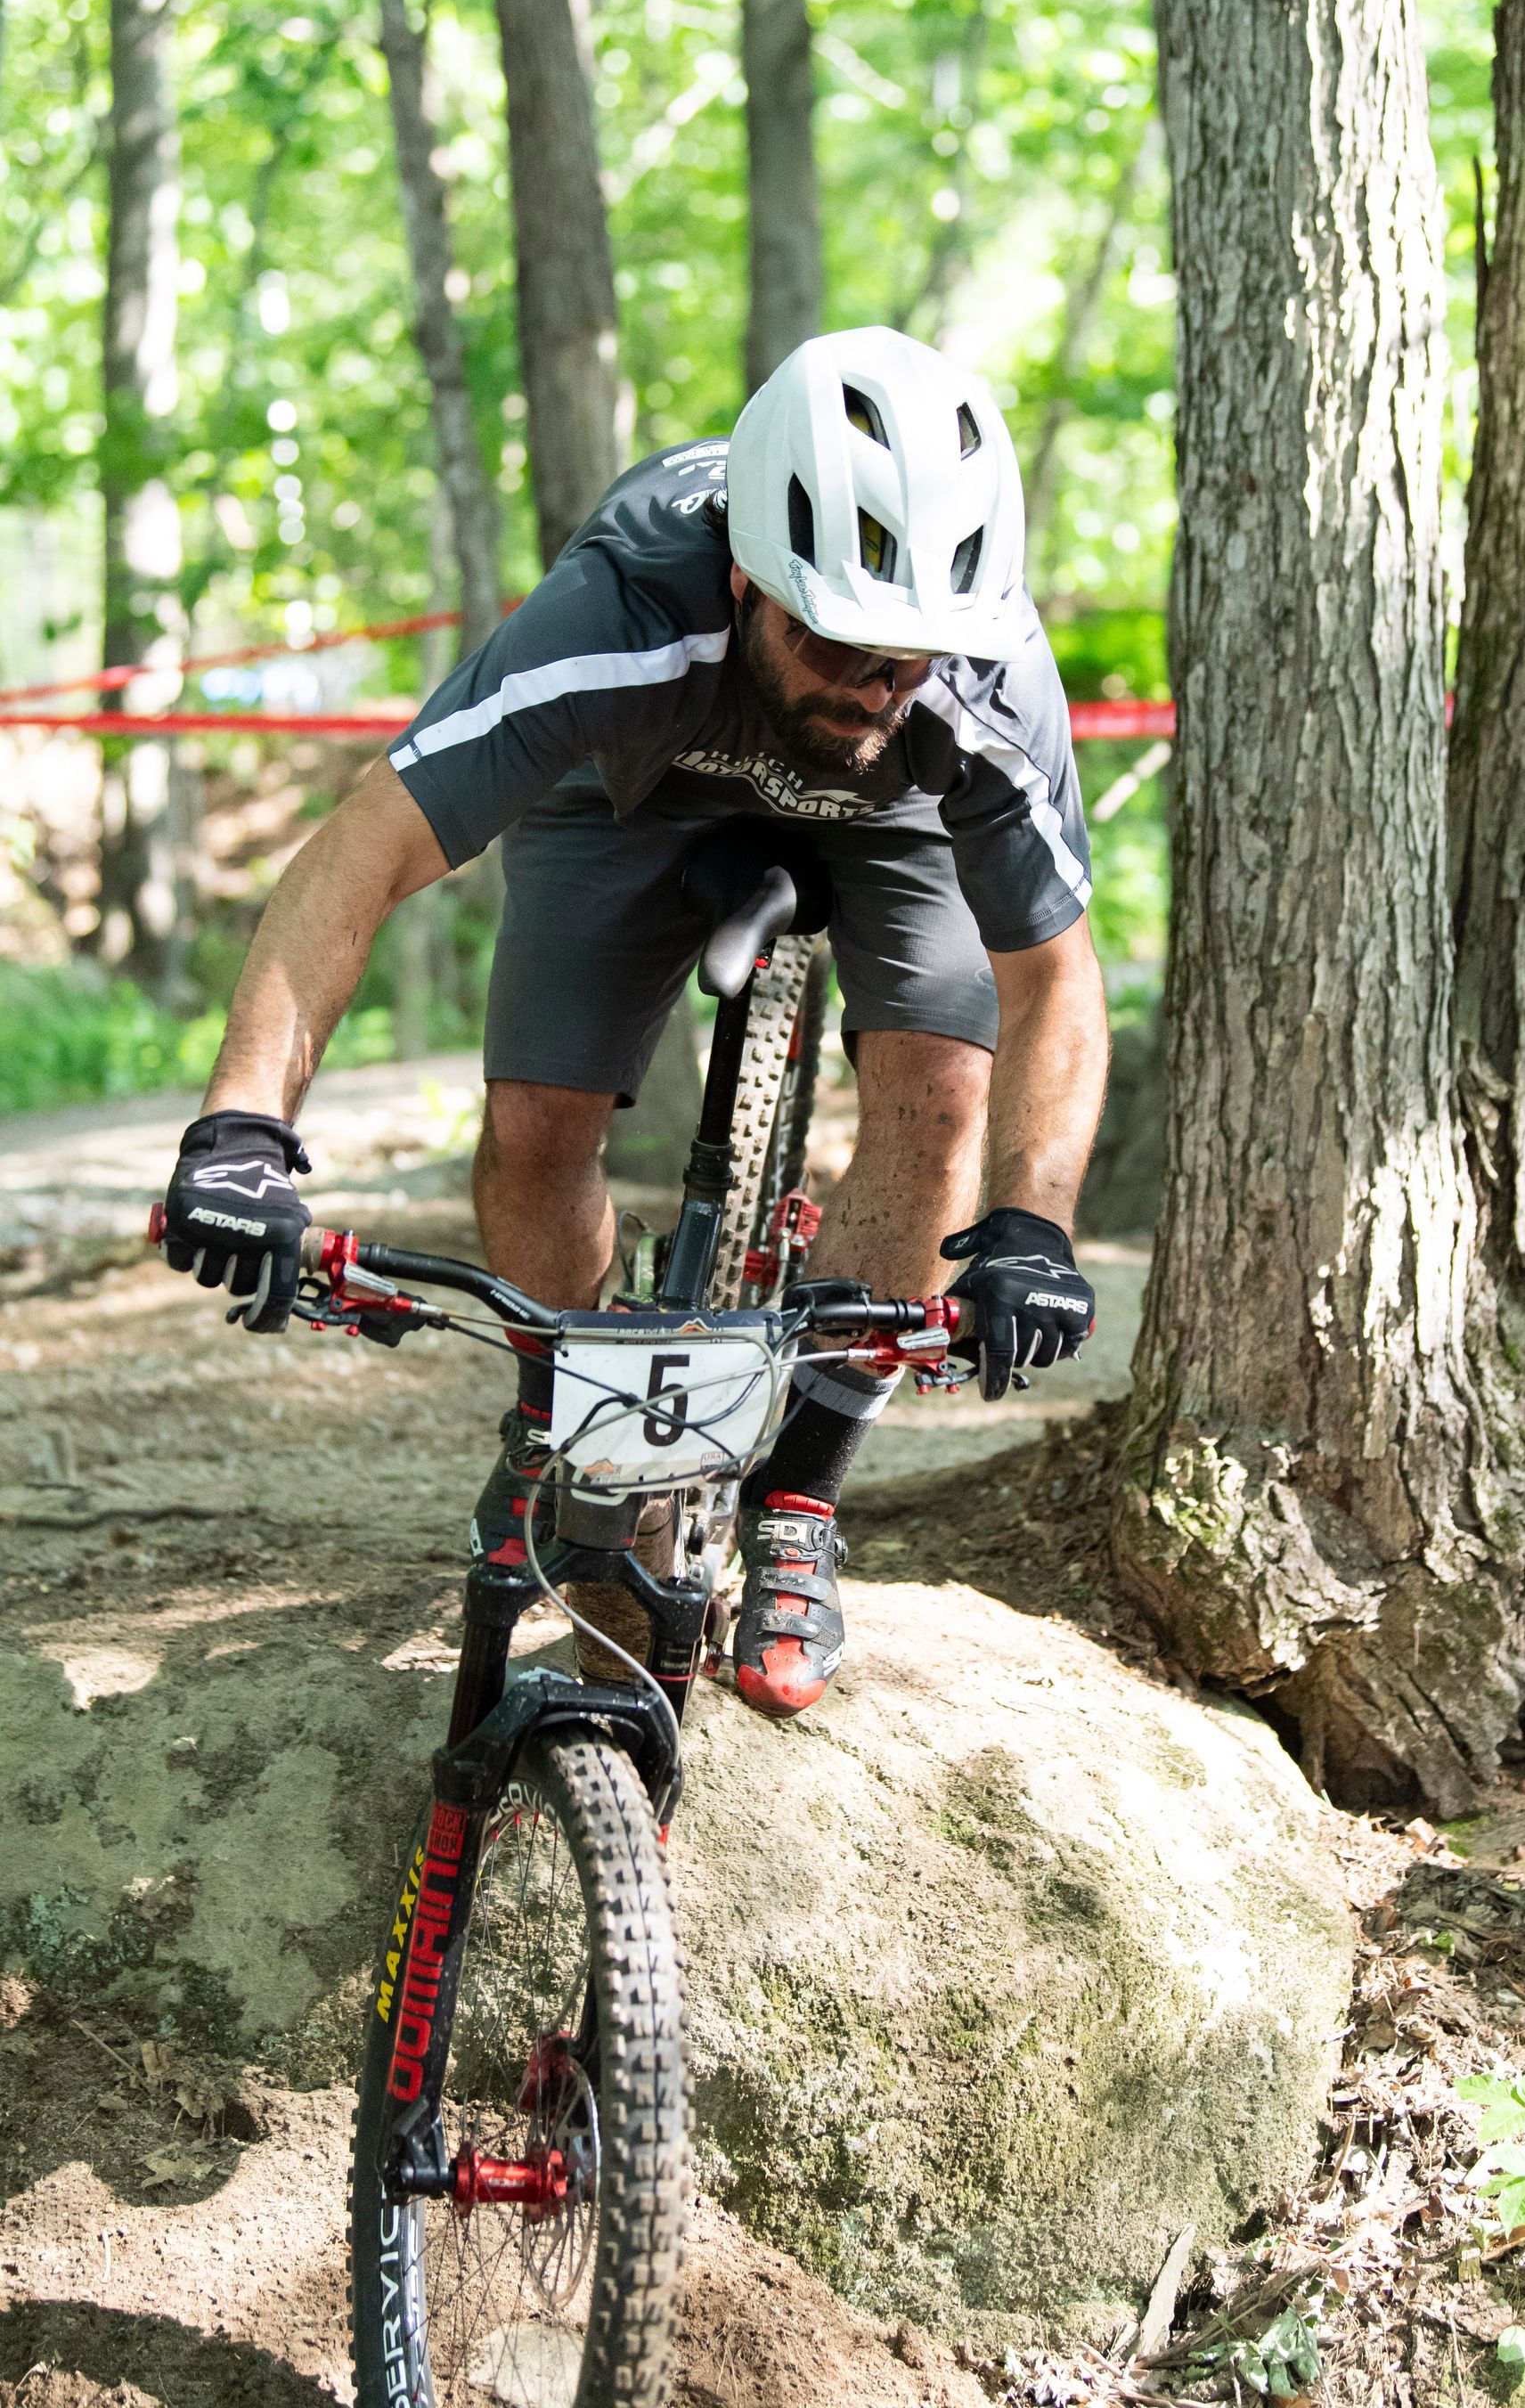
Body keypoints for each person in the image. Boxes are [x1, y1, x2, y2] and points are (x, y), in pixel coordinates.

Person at [159, 326, 1109, 1718]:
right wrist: (242, 1129)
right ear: (744, 579)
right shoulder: (618, 610)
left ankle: (801, 1498)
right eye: (835, 641)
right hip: (634, 781)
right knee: (534, 1126)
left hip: (897, 811)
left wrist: (1034, 1229)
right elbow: (362, 854)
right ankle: (579, 1433)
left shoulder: (979, 680)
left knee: (943, 1090)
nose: (873, 682)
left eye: (908, 658)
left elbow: (1052, 981)